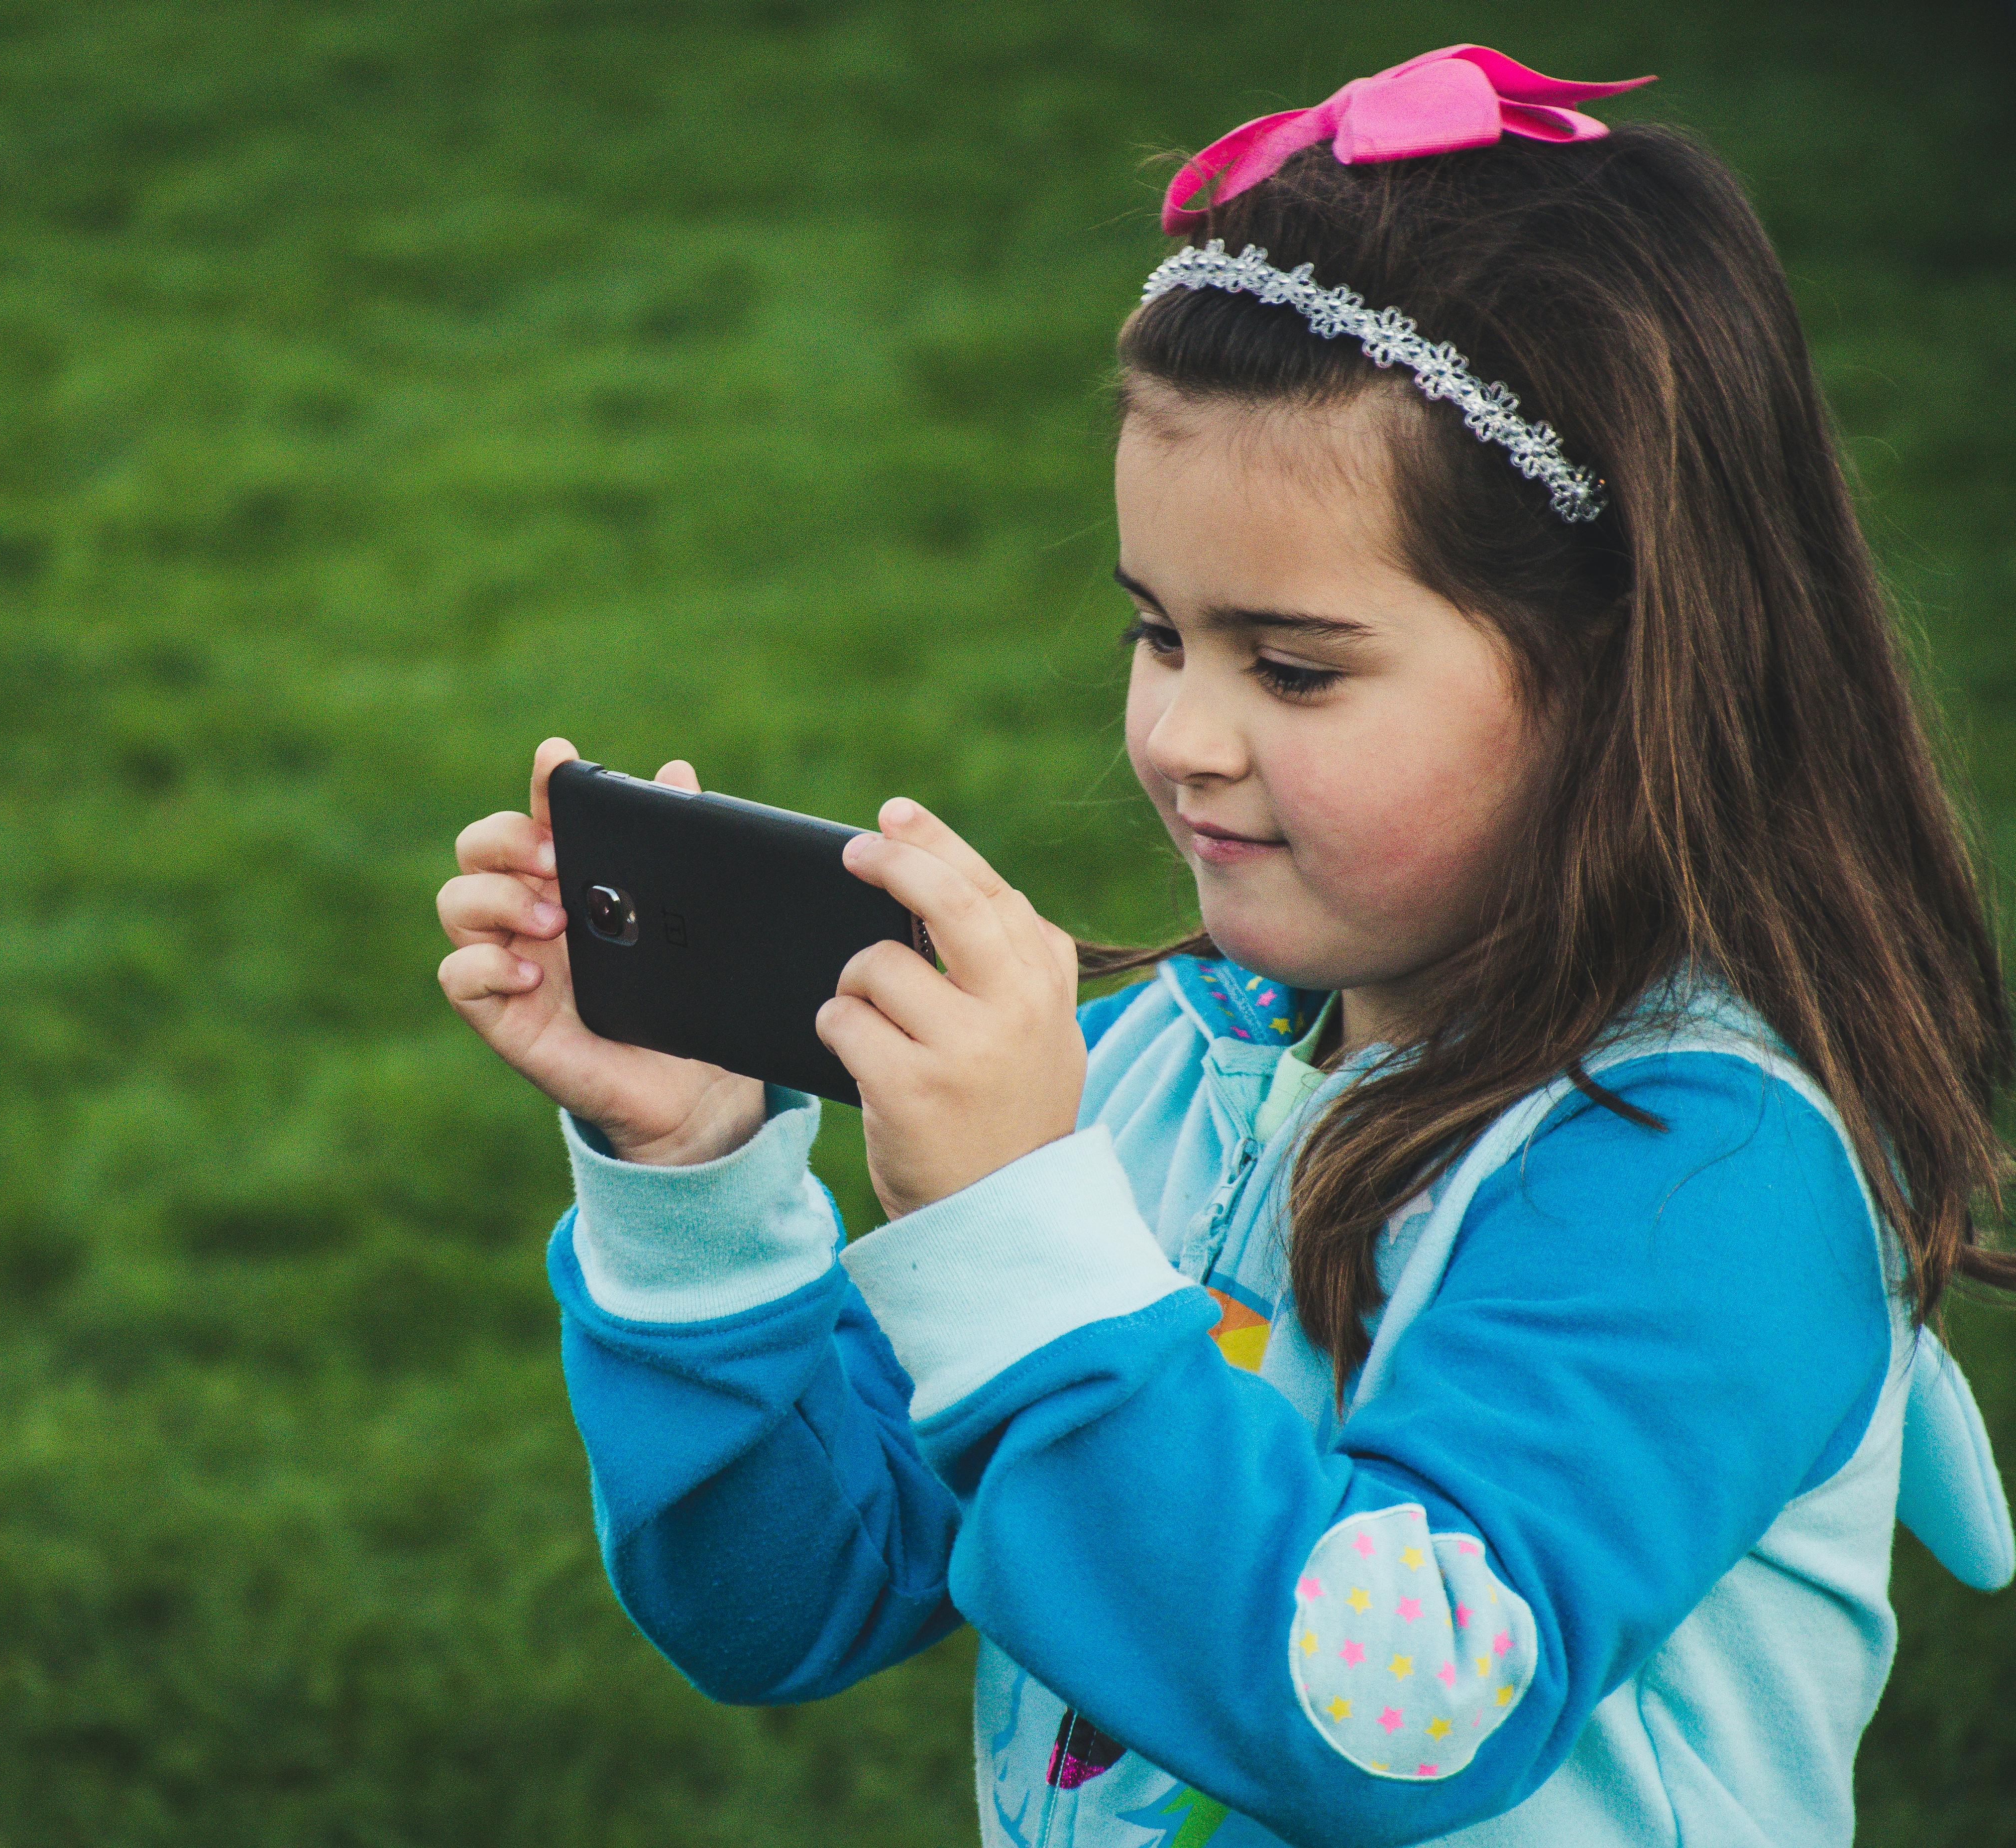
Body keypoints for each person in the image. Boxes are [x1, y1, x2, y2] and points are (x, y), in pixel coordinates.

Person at [437, 44, 2016, 1847]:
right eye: (1157, 634)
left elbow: (1390, 1721)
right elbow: (788, 1601)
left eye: (1293, 665)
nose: (1183, 736)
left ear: (1620, 679)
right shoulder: (1172, 1061)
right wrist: (695, 1184)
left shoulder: (1708, 1173)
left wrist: (1022, 1232)